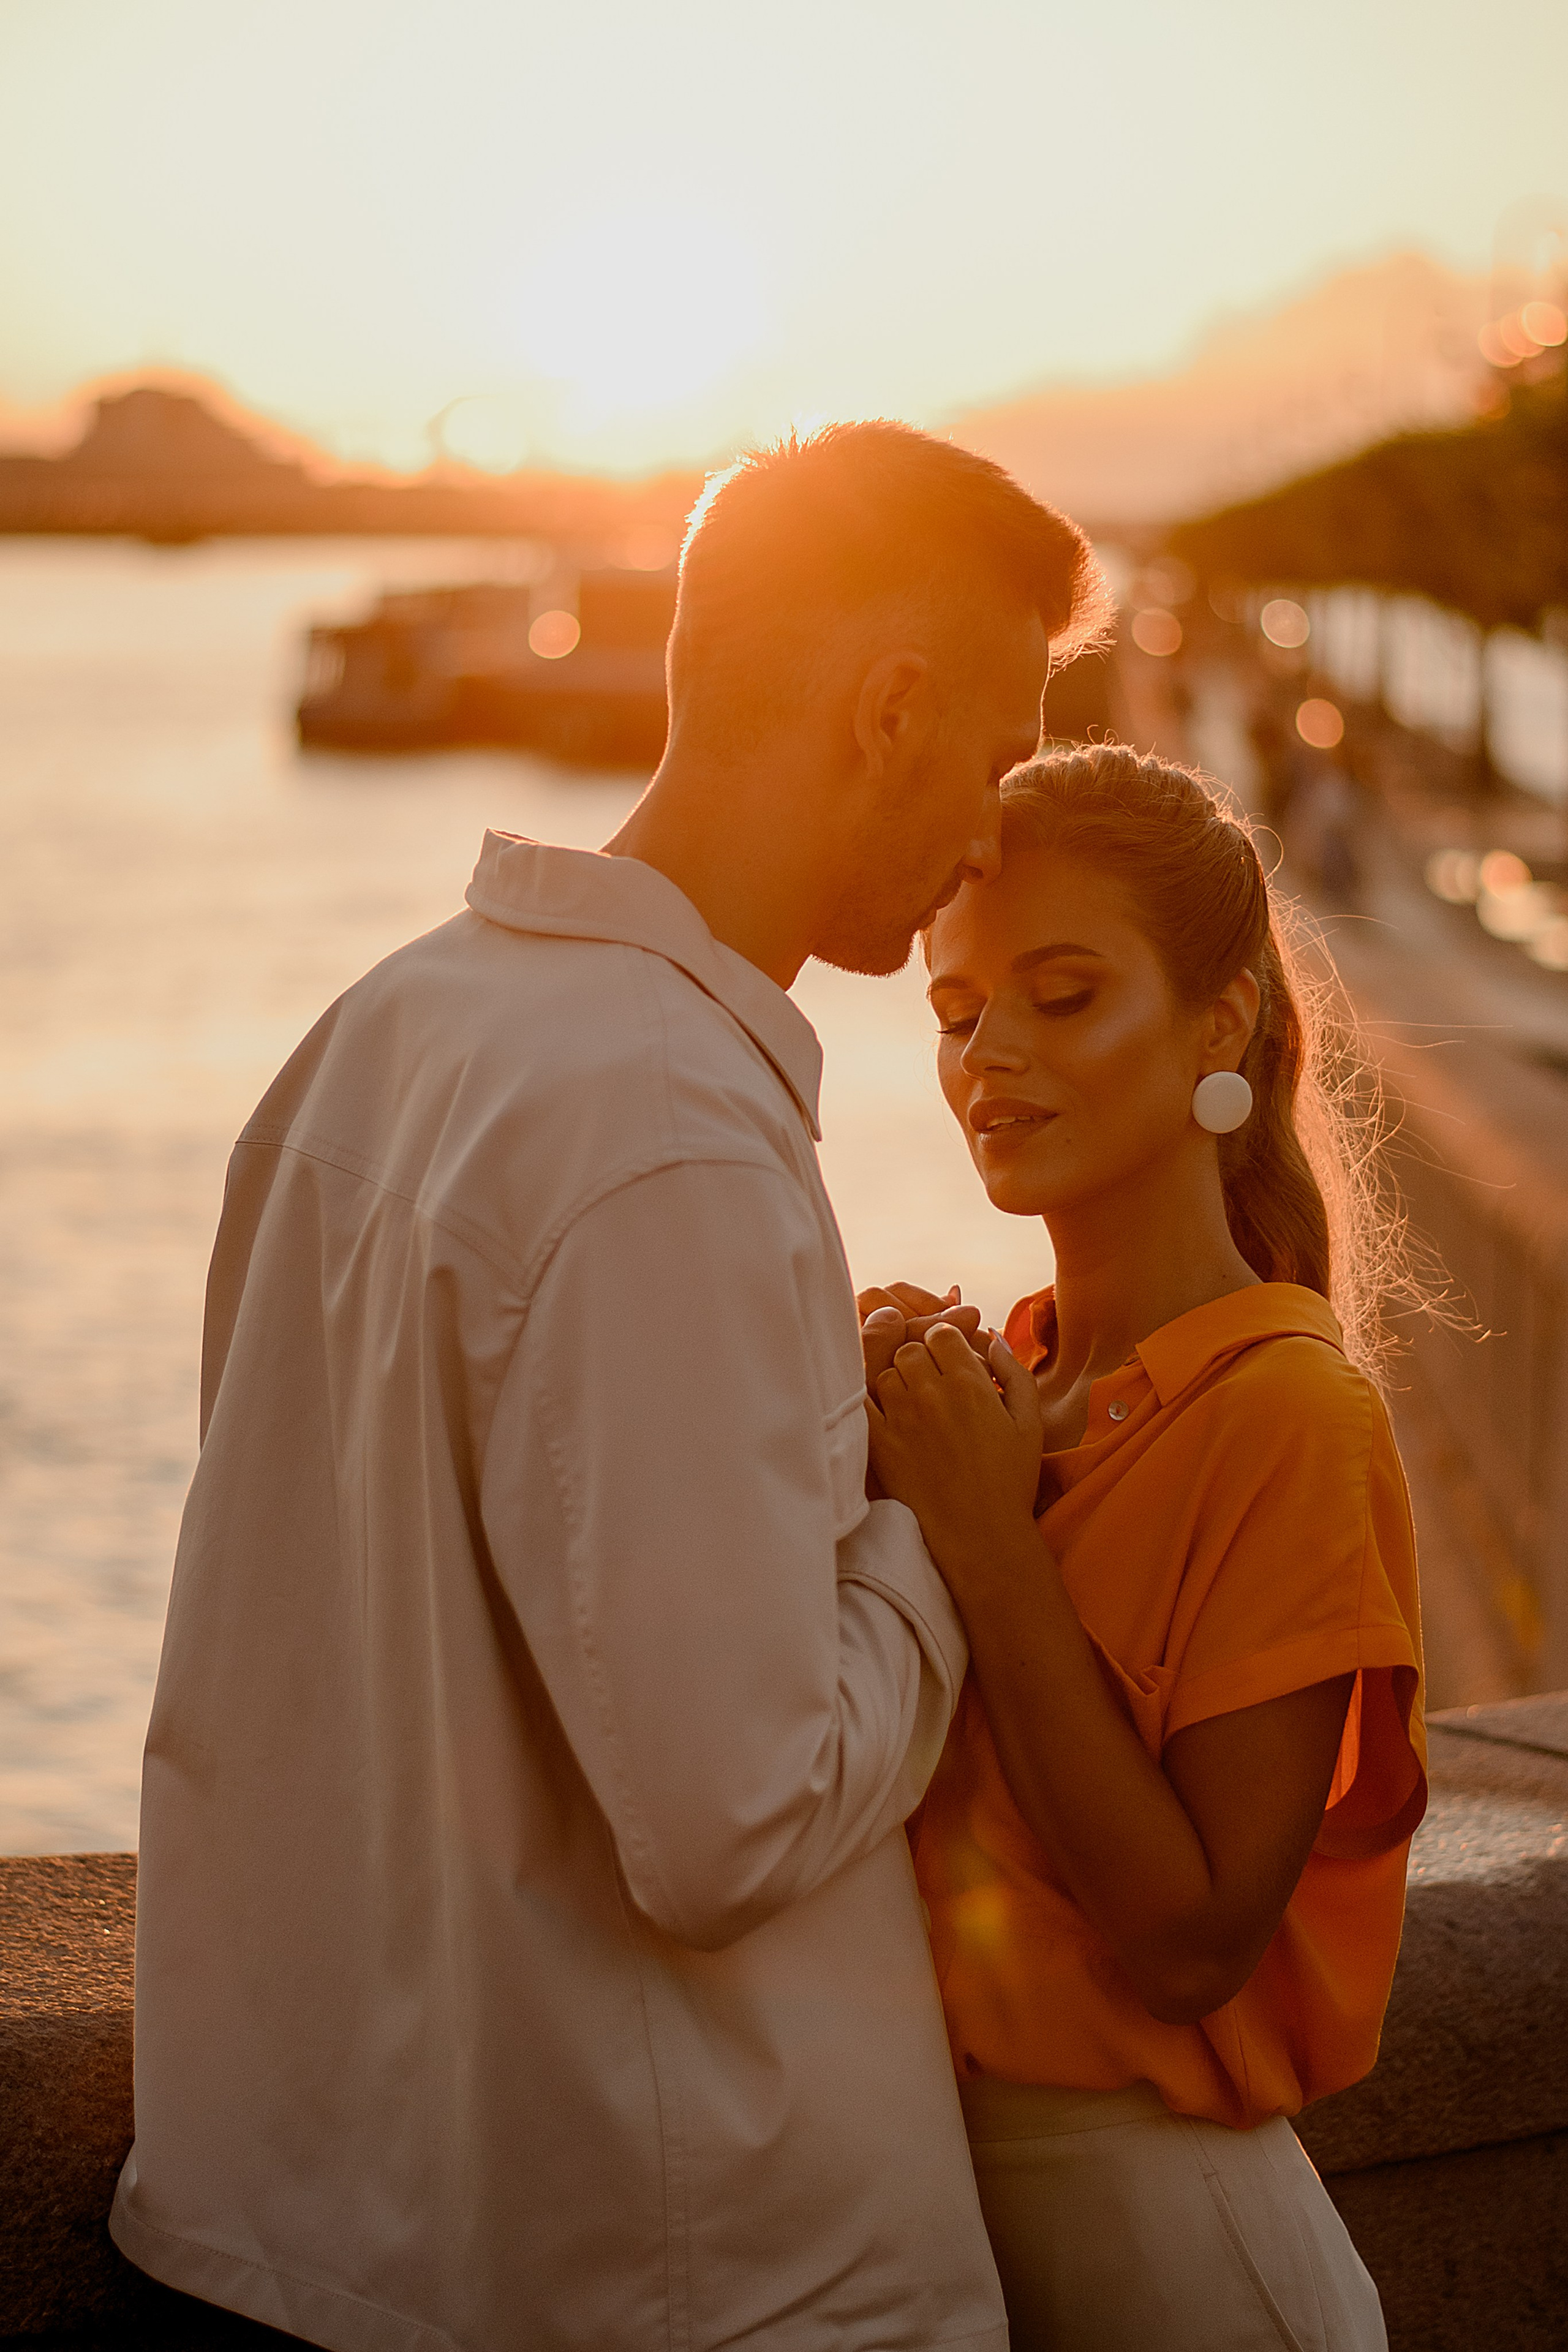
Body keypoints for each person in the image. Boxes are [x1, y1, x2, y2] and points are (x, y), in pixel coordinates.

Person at [110, 423, 1108, 2352]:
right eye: (992, 763)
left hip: (316, 2222)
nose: (991, 835)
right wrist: (940, 1528)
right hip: (669, 2288)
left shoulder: (384, 1031)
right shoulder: (675, 1142)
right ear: (889, 710)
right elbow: (731, 1821)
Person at [860, 743, 1426, 2352]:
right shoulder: (1003, 1387)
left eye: (1061, 994)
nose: (991, 1059)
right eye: (959, 1013)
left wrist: (986, 1549)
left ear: (1221, 1020)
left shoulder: (1287, 1415)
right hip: (936, 2241)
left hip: (1183, 2266)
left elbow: (1189, 1939)